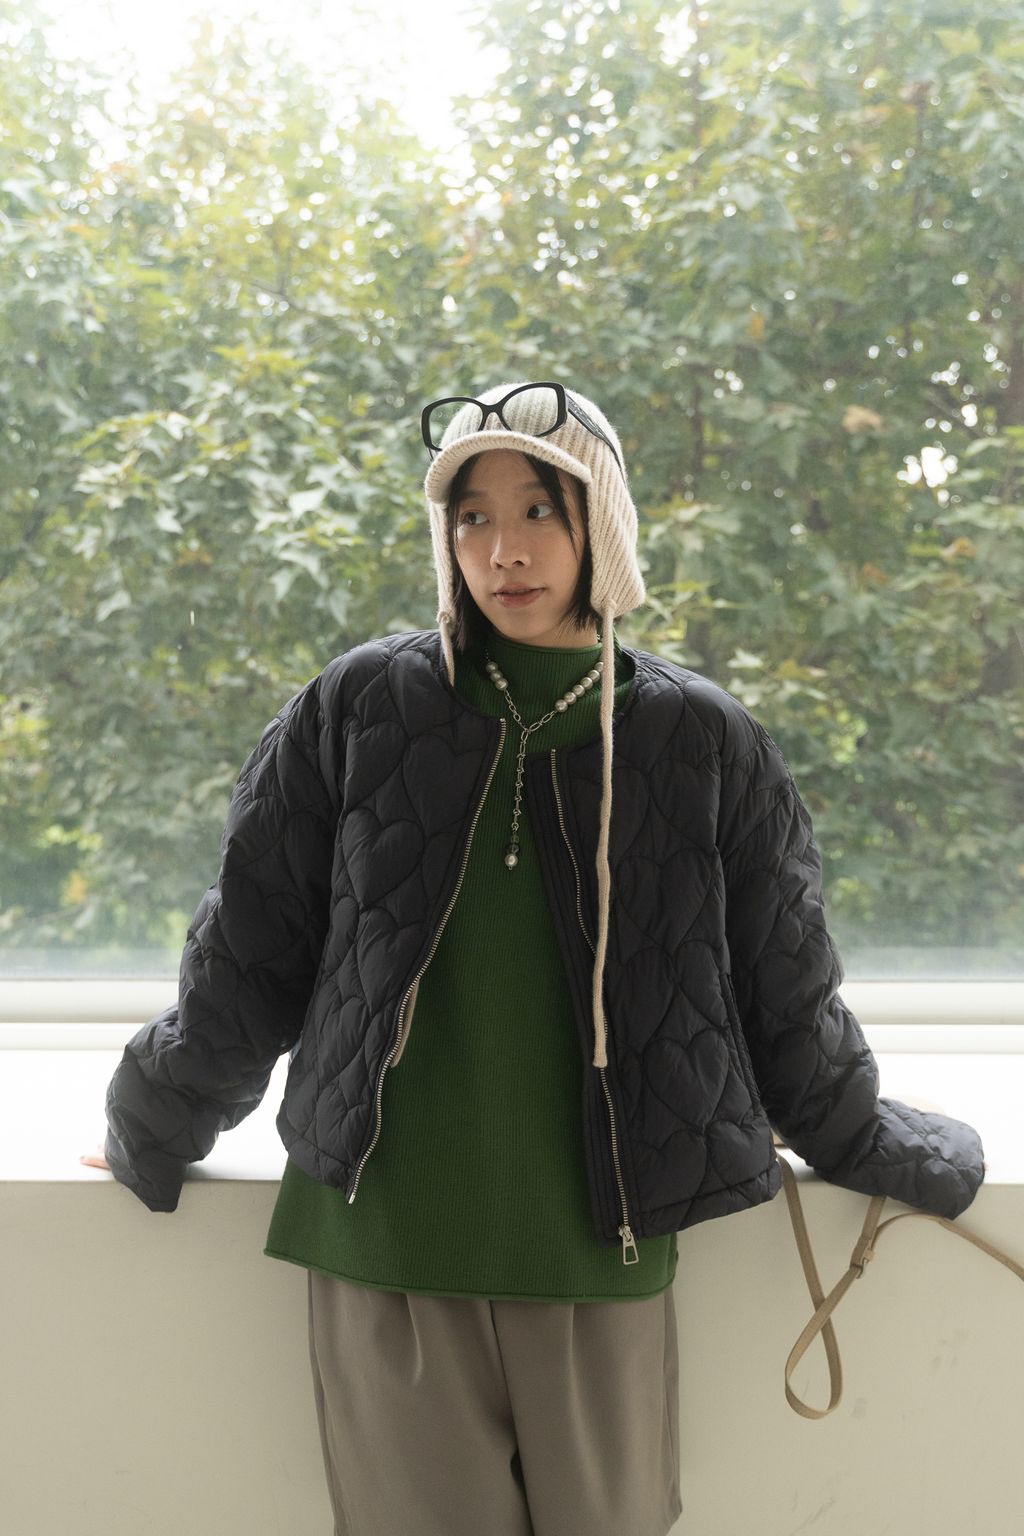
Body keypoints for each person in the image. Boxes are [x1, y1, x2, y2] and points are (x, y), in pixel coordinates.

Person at [83, 379, 986, 1536]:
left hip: (599, 1242)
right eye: (471, 516)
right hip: (385, 1237)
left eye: (538, 512)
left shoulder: (700, 737)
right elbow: (249, 948)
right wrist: (155, 1118)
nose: (502, 550)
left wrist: (865, 1137)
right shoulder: (358, 706)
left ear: (600, 522)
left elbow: (784, 985)